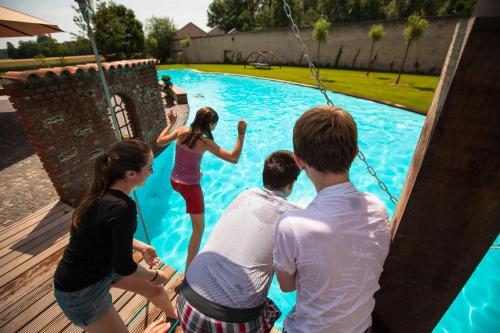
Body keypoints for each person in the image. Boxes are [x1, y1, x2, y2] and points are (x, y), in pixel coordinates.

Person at [273, 106, 391, 333]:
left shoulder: (292, 225)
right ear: (355, 154)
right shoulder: (377, 207)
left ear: (299, 161)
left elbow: (286, 286)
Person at [53, 139, 178, 333]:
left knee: (155, 290)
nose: (152, 172)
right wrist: (154, 275)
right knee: (155, 283)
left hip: (102, 268)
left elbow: (104, 237)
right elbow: (124, 266)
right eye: (149, 167)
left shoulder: (99, 195)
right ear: (130, 174)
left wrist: (140, 246)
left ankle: (174, 318)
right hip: (80, 291)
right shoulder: (123, 208)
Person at [176, 150, 301, 332]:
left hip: (186, 303)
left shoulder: (245, 195)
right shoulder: (294, 218)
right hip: (231, 322)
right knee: (271, 309)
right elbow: (287, 286)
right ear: (291, 185)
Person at [156, 107, 247, 272]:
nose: (214, 128)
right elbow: (233, 158)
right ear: (210, 124)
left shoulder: (182, 131)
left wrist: (171, 124)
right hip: (189, 187)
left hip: (174, 181)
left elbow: (159, 141)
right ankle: (189, 271)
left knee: (199, 171)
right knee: (199, 229)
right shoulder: (205, 142)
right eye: (214, 124)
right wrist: (241, 133)